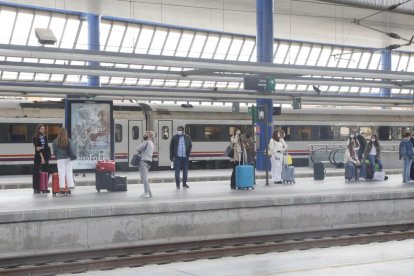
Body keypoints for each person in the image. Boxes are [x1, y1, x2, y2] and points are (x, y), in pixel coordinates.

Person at [52, 128, 75, 194]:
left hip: (60, 159)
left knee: (61, 174)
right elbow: (71, 149)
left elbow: (54, 151)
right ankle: (70, 186)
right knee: (69, 173)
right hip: (68, 159)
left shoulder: (55, 141)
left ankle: (62, 187)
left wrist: (57, 156)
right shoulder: (68, 140)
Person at [32, 124, 51, 194]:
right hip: (38, 157)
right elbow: (37, 149)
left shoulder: (45, 137)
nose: (43, 130)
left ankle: (44, 187)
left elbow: (45, 147)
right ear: (38, 129)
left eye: (43, 128)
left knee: (46, 172)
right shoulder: (35, 137)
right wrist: (42, 158)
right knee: (36, 172)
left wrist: (41, 147)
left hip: (46, 157)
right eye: (41, 129)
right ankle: (36, 188)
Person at [137, 131, 155, 198]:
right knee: (145, 177)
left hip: (143, 160)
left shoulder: (146, 142)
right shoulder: (151, 143)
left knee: (144, 177)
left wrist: (141, 150)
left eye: (145, 134)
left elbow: (137, 148)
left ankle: (146, 193)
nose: (144, 135)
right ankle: (149, 192)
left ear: (149, 136)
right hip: (149, 161)